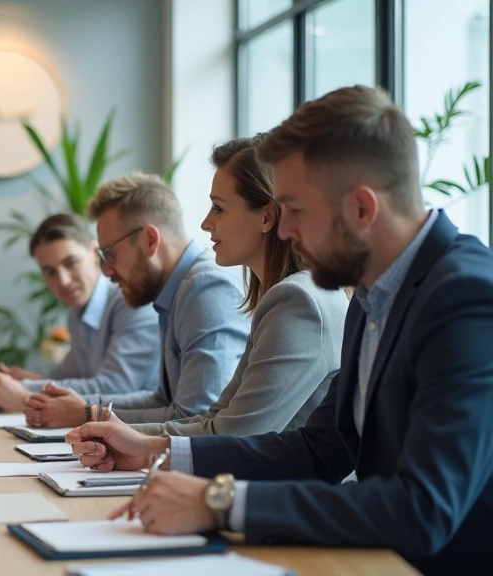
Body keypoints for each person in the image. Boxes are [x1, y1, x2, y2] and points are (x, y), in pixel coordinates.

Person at [66, 86, 493, 575]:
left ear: (361, 208)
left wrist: (220, 502)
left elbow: (423, 509)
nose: (283, 230)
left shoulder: (465, 297)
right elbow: (321, 449)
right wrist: (154, 450)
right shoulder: (373, 293)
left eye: (295, 209)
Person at [26, 137, 348, 432]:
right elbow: (210, 417)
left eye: (218, 208)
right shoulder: (262, 296)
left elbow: (225, 431)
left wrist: (93, 417)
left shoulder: (218, 290)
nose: (206, 223)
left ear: (266, 217)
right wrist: (94, 416)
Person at [22, 173, 249, 427]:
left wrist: (90, 414)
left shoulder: (206, 289)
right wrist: (86, 409)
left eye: (110, 254)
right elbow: (163, 400)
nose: (106, 271)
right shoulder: (177, 292)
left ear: (150, 240)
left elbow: (193, 419)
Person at [0, 213, 160, 412]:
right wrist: (27, 379)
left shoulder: (131, 302)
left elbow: (114, 387)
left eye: (71, 263)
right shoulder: (78, 309)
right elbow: (72, 373)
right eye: (50, 271)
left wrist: (22, 391)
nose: (63, 281)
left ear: (94, 252)